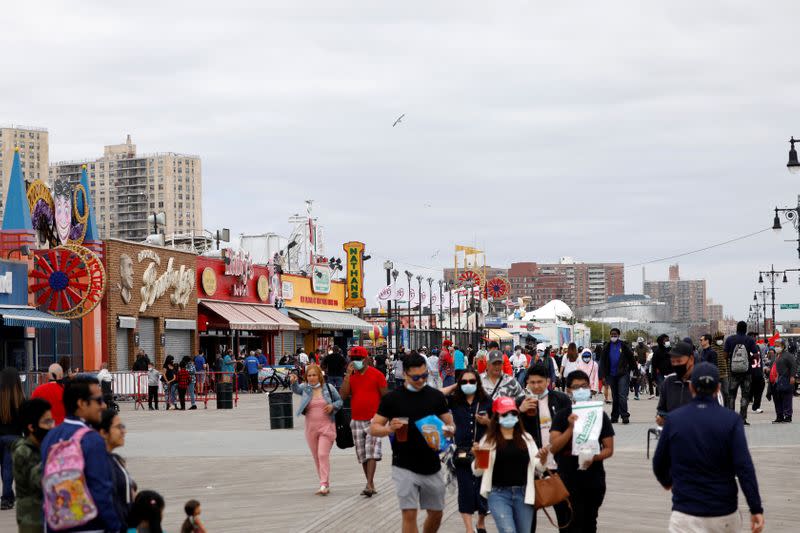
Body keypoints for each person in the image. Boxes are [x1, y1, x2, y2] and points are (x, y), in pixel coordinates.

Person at [652, 362, 765, 533]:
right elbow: (744, 467)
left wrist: (668, 482)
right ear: (718, 388)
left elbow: (659, 462)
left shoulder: (674, 420)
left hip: (685, 512)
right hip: (724, 512)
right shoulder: (731, 420)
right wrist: (755, 508)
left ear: (692, 388)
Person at [370, 352, 454, 533]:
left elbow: (450, 424)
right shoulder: (392, 399)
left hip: (432, 464)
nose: (421, 380)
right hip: (403, 464)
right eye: (416, 377)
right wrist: (389, 429)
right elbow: (374, 427)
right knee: (409, 513)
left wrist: (448, 431)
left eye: (424, 375)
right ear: (405, 374)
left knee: (437, 512)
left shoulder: (435, 396)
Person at [40, 375, 122, 532]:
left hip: (57, 523)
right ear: (81, 404)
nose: (103, 406)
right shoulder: (91, 439)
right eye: (98, 400)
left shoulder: (50, 436)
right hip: (90, 525)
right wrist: (116, 527)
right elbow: (101, 491)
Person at [550, 370, 615, 533]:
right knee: (568, 524)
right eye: (576, 387)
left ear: (590, 388)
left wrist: (595, 457)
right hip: (566, 479)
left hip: (593, 479)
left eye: (584, 386)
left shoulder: (599, 415)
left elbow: (609, 448)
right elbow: (554, 447)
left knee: (589, 523)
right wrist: (571, 428)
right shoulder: (561, 416)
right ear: (568, 391)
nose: (580, 390)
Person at [472, 396, 543, 533]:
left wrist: (544, 457)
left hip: (523, 493)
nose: (509, 417)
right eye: (505, 414)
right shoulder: (489, 440)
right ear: (497, 417)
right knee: (508, 530)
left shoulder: (526, 439)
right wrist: (479, 455)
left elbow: (539, 466)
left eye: (513, 413)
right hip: (498, 494)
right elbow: (478, 471)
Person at [519, 363, 572, 531]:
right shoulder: (521, 402)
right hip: (531, 467)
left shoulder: (560, 399)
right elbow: (510, 431)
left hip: (557, 465)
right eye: (532, 382)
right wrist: (519, 411)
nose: (536, 386)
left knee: (564, 513)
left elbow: (570, 428)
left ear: (548, 381)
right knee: (528, 517)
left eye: (539, 382)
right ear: (526, 382)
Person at [447, 368, 492, 533]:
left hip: (484, 449)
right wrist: (453, 386)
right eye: (464, 382)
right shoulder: (455, 400)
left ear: (478, 383)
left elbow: (498, 425)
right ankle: (468, 529)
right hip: (461, 450)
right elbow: (435, 397)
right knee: (465, 489)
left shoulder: (486, 400)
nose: (468, 385)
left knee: (483, 488)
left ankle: (480, 522)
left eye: (472, 381)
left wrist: (487, 421)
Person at [340, 345, 387, 497]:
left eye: (359, 359)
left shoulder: (377, 375)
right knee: (363, 454)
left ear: (366, 359)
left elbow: (385, 396)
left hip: (374, 419)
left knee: (371, 451)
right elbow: (343, 395)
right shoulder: (351, 376)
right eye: (353, 359)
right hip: (356, 420)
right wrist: (347, 374)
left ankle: (369, 483)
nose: (356, 362)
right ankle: (370, 484)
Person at [290, 364, 343, 495]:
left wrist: (332, 406)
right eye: (309, 375)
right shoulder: (305, 389)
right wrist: (293, 381)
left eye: (314, 375)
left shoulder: (328, 388)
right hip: (311, 428)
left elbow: (340, 401)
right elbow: (296, 389)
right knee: (316, 457)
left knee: (322, 454)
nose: (312, 378)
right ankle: (324, 483)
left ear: (319, 375)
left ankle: (323, 484)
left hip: (327, 427)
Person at [11, 398, 54, 533]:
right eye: (47, 422)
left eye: (52, 421)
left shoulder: (43, 445)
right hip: (33, 521)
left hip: (50, 517)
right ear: (31, 427)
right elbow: (40, 480)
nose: (52, 426)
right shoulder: (23, 451)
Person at [97, 409, 136, 527]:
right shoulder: (100, 463)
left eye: (123, 426)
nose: (124, 431)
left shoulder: (113, 459)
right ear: (103, 432)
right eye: (119, 427)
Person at [723, 321, 759, 425]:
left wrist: (731, 361)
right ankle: (742, 419)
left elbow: (725, 356)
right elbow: (756, 356)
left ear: (737, 329)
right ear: (745, 329)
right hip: (747, 372)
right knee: (745, 395)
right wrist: (749, 358)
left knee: (731, 396)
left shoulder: (730, 339)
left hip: (733, 372)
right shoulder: (750, 340)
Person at [599, 327, 636, 424]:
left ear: (618, 335)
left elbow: (631, 358)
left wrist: (635, 370)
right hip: (611, 375)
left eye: (615, 335)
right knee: (615, 396)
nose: (613, 336)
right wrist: (602, 375)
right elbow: (602, 361)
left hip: (623, 374)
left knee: (622, 395)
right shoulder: (607, 347)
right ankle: (614, 416)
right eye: (612, 335)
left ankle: (624, 416)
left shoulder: (623, 346)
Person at [0, 368, 24, 511]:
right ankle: (7, 497)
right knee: (8, 469)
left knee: (4, 468)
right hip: (13, 438)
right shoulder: (20, 399)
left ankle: (8, 495)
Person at [655, 341, 695, 426]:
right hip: (673, 432)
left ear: (691, 359)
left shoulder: (702, 381)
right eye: (673, 362)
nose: (676, 365)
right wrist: (661, 417)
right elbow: (661, 409)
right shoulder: (668, 382)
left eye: (679, 361)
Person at [770, 339, 797, 423]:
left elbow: (793, 366)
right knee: (777, 399)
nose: (776, 347)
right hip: (775, 381)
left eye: (778, 345)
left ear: (783, 346)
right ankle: (779, 416)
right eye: (775, 345)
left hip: (785, 379)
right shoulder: (775, 355)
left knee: (786, 398)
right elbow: (772, 365)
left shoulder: (788, 355)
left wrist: (792, 376)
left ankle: (788, 416)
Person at [748, 332, 766, 415]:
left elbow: (760, 360)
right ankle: (750, 402)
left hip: (758, 372)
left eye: (755, 336)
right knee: (751, 390)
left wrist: (762, 370)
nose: (755, 338)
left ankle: (756, 406)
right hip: (751, 373)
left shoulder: (757, 347)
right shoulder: (746, 347)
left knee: (760, 387)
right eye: (753, 337)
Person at [711, 332, 730, 407]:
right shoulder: (712, 348)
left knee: (726, 392)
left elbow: (727, 361)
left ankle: (727, 407)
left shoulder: (724, 347)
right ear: (715, 339)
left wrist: (728, 373)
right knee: (717, 393)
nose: (720, 340)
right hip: (715, 375)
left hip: (724, 374)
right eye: (718, 338)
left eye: (721, 338)